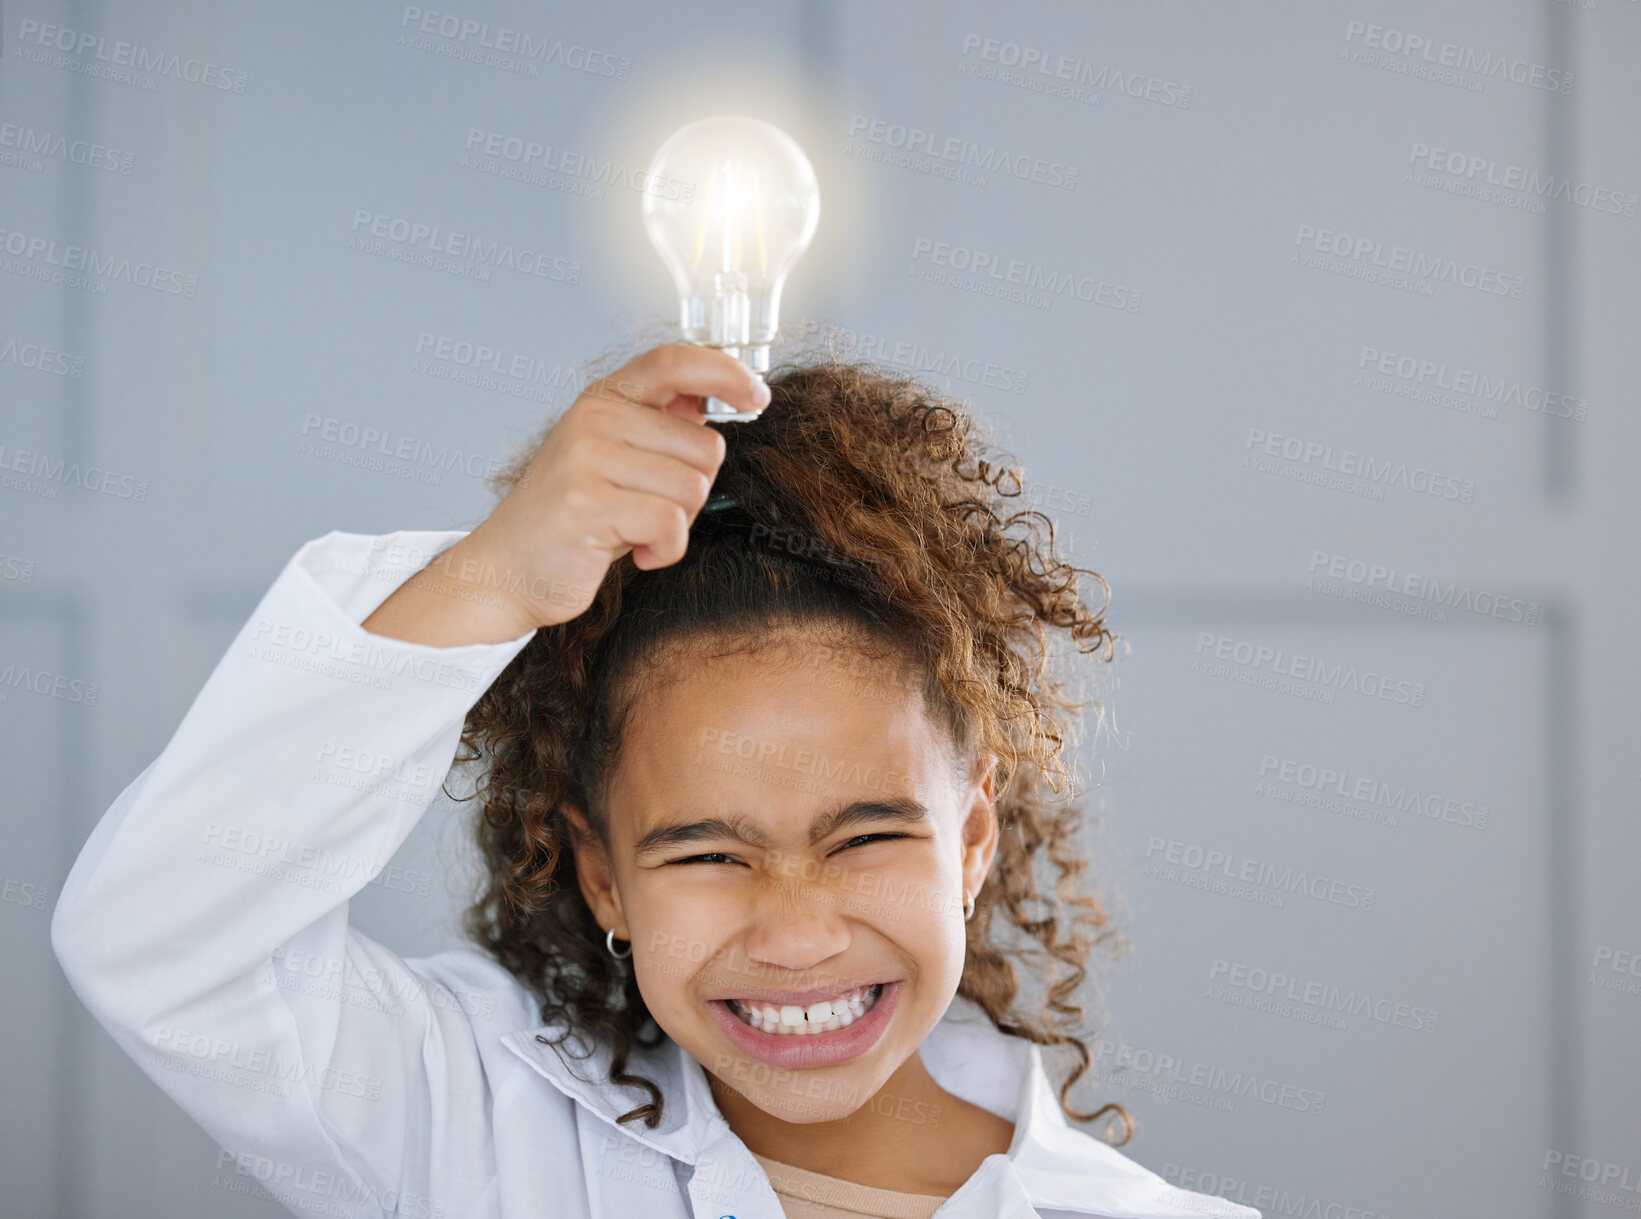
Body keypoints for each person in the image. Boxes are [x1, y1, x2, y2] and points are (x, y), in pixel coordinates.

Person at [51, 344, 1260, 1219]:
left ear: (974, 840)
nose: (797, 933)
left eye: (863, 838)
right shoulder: (471, 1120)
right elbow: (163, 939)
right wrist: (495, 583)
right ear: (602, 877)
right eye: (707, 853)